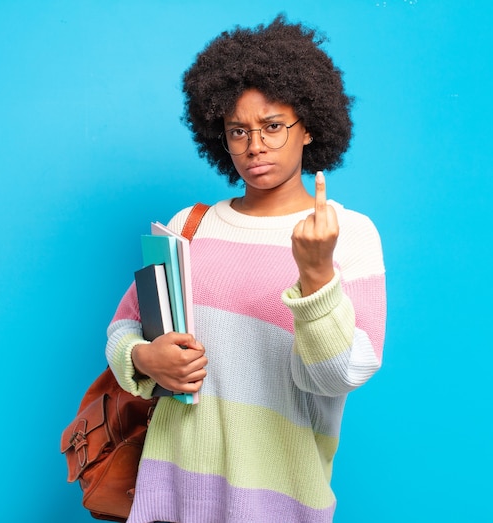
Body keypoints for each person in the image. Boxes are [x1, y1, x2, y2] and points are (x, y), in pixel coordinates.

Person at [105, 14, 386, 523]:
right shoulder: (188, 226)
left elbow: (337, 377)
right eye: (239, 131)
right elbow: (125, 328)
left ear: (310, 127)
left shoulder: (349, 234)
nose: (255, 145)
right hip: (168, 495)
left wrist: (318, 275)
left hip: (278, 502)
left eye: (273, 126)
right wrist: (146, 359)